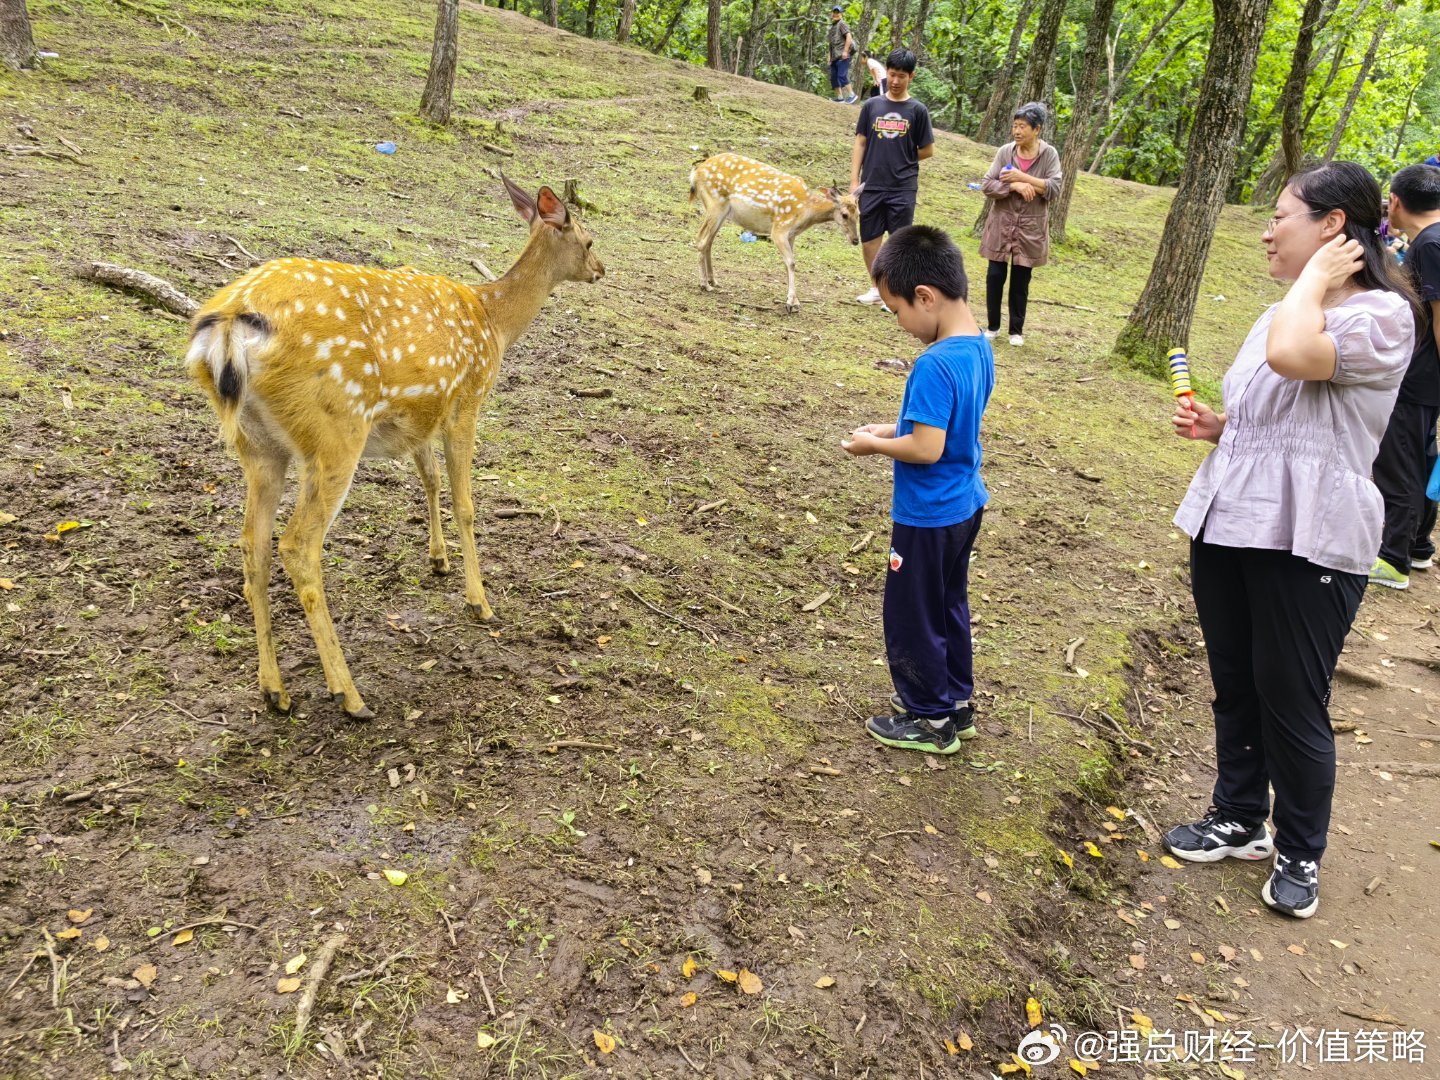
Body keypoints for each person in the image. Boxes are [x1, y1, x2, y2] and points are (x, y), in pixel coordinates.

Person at [1164, 162, 1417, 920]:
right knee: (1236, 680)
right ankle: (1238, 816)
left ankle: (1299, 847)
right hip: (1231, 517)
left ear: (1334, 227)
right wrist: (1223, 426)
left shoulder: (1382, 317)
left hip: (1311, 537)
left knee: (1292, 699)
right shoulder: (1281, 310)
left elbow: (1293, 358)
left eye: (1283, 217)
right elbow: (1275, 405)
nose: (1269, 231)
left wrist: (1313, 284)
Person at [841, 225, 995, 754]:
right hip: (964, 504)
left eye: (898, 311)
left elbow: (926, 449)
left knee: (913, 613)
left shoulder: (933, 363)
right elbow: (946, 429)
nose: (901, 324)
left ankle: (928, 720)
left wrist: (876, 447)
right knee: (947, 603)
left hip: (928, 514)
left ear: (925, 297)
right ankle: (955, 703)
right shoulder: (976, 347)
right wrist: (893, 429)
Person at [1370, 164, 1440, 588]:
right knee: (1421, 454)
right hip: (1426, 377)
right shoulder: (1431, 241)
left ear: (1395, 201)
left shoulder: (1431, 245)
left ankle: (1393, 557)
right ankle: (1417, 547)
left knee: (1399, 462)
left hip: (1420, 378)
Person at [851, 49, 934, 309]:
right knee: (869, 238)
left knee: (899, 242)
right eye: (892, 74)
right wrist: (854, 180)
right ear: (886, 72)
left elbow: (927, 149)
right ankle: (876, 288)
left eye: (901, 76)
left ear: (911, 76)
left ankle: (895, 294)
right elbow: (861, 142)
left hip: (903, 186)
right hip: (872, 184)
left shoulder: (918, 110)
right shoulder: (872, 106)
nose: (896, 81)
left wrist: (904, 159)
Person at [978, 103, 1061, 347]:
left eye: (1022, 126)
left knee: (1021, 280)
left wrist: (1022, 177)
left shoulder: (1049, 155)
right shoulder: (1005, 152)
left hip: (1030, 227)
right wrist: (1013, 186)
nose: (1016, 131)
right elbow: (987, 184)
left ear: (1037, 129)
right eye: (1015, 126)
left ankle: (1016, 330)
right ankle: (992, 326)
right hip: (1002, 223)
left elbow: (1054, 188)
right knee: (995, 275)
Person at [827, 7, 856, 105]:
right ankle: (840, 98)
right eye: (834, 12)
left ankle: (852, 95)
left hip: (842, 55)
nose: (835, 14)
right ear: (832, 14)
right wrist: (829, 57)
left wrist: (845, 51)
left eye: (837, 12)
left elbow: (849, 36)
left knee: (841, 75)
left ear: (841, 14)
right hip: (834, 57)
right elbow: (831, 45)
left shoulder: (841, 24)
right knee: (834, 77)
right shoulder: (832, 27)